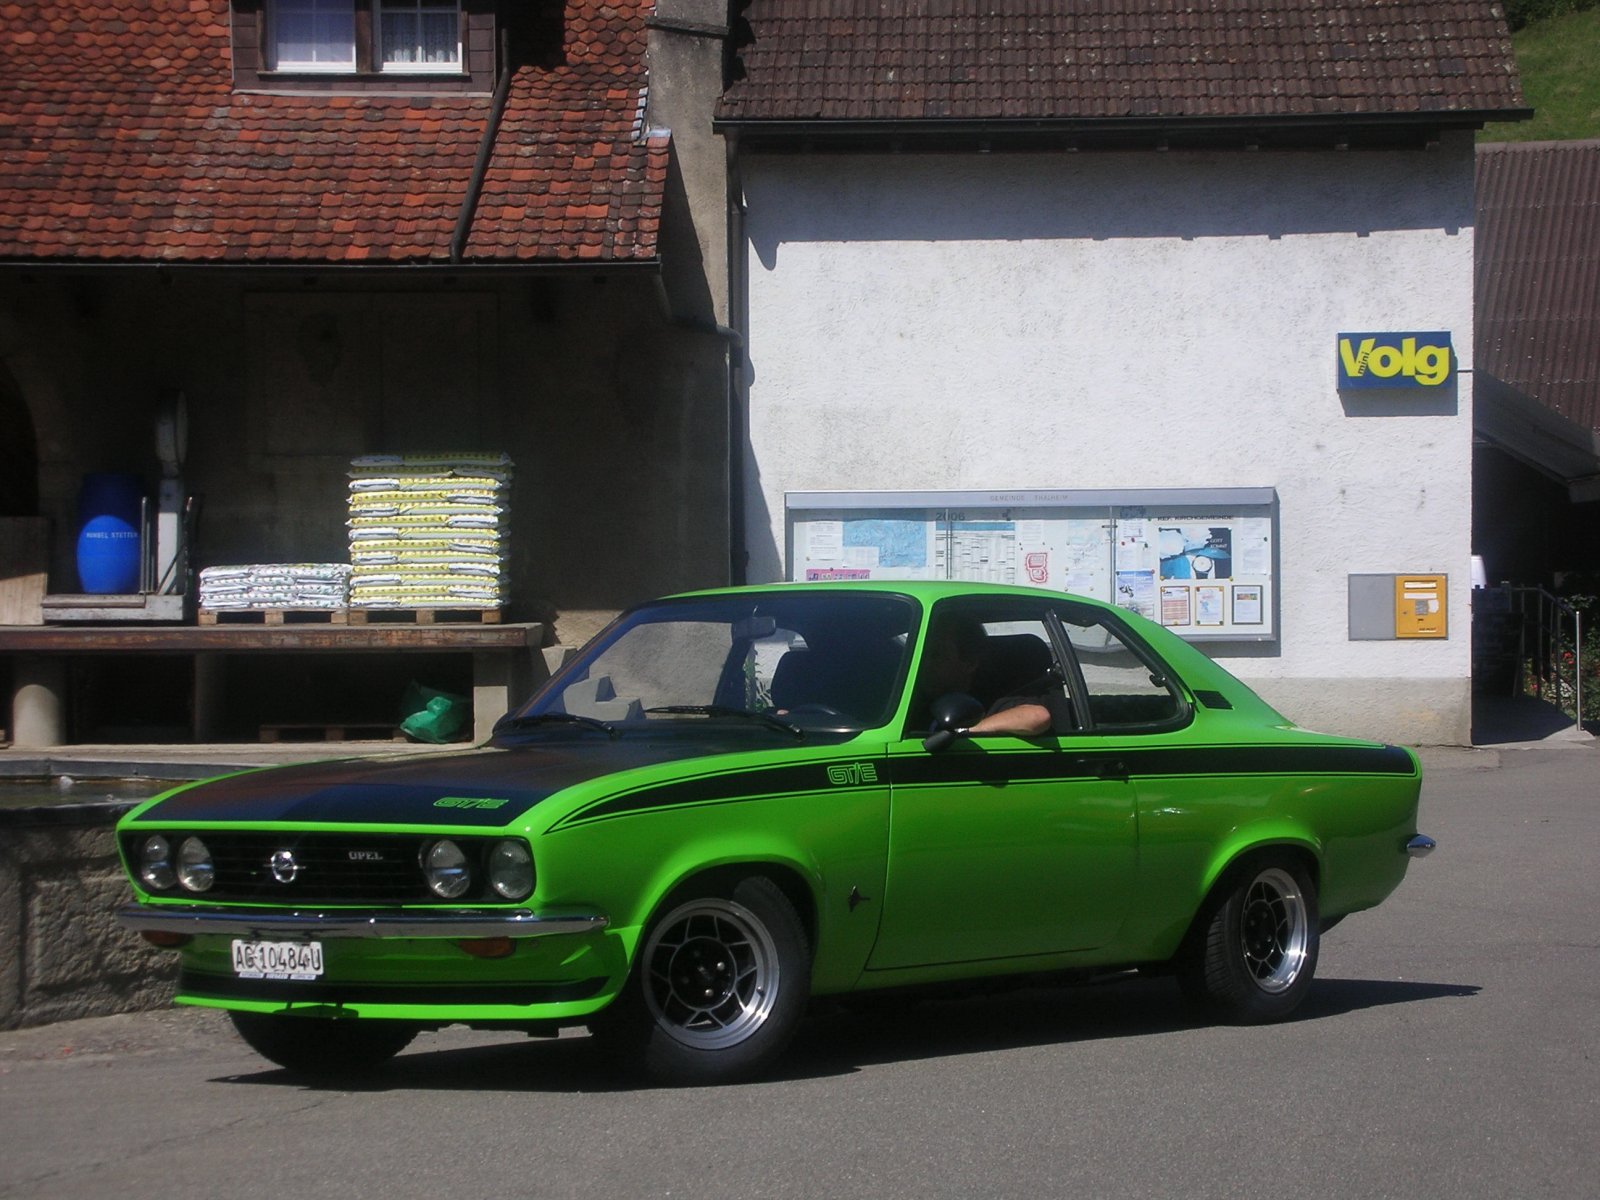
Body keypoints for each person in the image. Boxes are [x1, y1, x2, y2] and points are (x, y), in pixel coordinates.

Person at [914, 613, 1066, 737]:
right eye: (922, 653)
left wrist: (965, 731)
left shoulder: (989, 700)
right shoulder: (911, 698)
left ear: (969, 663)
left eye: (937, 655)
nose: (924, 663)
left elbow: (1037, 716)